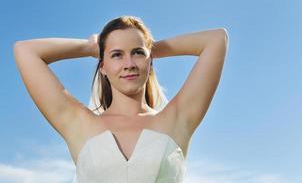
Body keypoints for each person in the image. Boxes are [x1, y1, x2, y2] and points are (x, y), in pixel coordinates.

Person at [13, 15, 228, 183]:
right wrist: (91, 47)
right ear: (102, 66)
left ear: (150, 61)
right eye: (117, 55)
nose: (129, 64)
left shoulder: (176, 119)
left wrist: (150, 48)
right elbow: (25, 51)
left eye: (137, 53)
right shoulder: (78, 123)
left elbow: (216, 39)